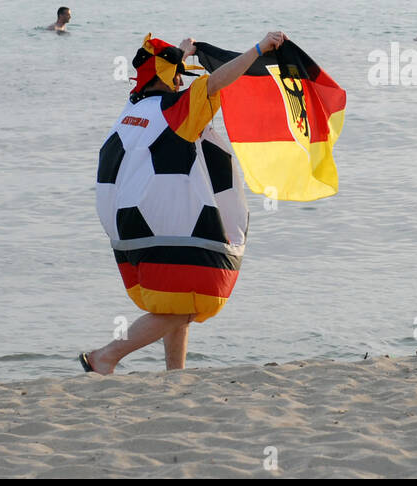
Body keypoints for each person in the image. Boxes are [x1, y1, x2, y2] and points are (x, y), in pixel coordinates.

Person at [82, 30, 287, 374]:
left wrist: (182, 52)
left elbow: (161, 71)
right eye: (178, 76)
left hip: (131, 234)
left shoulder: (134, 108)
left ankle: (175, 373)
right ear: (169, 78)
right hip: (171, 233)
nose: (180, 82)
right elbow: (216, 82)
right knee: (193, 302)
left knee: (178, 299)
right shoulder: (178, 111)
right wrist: (259, 48)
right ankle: (106, 355)